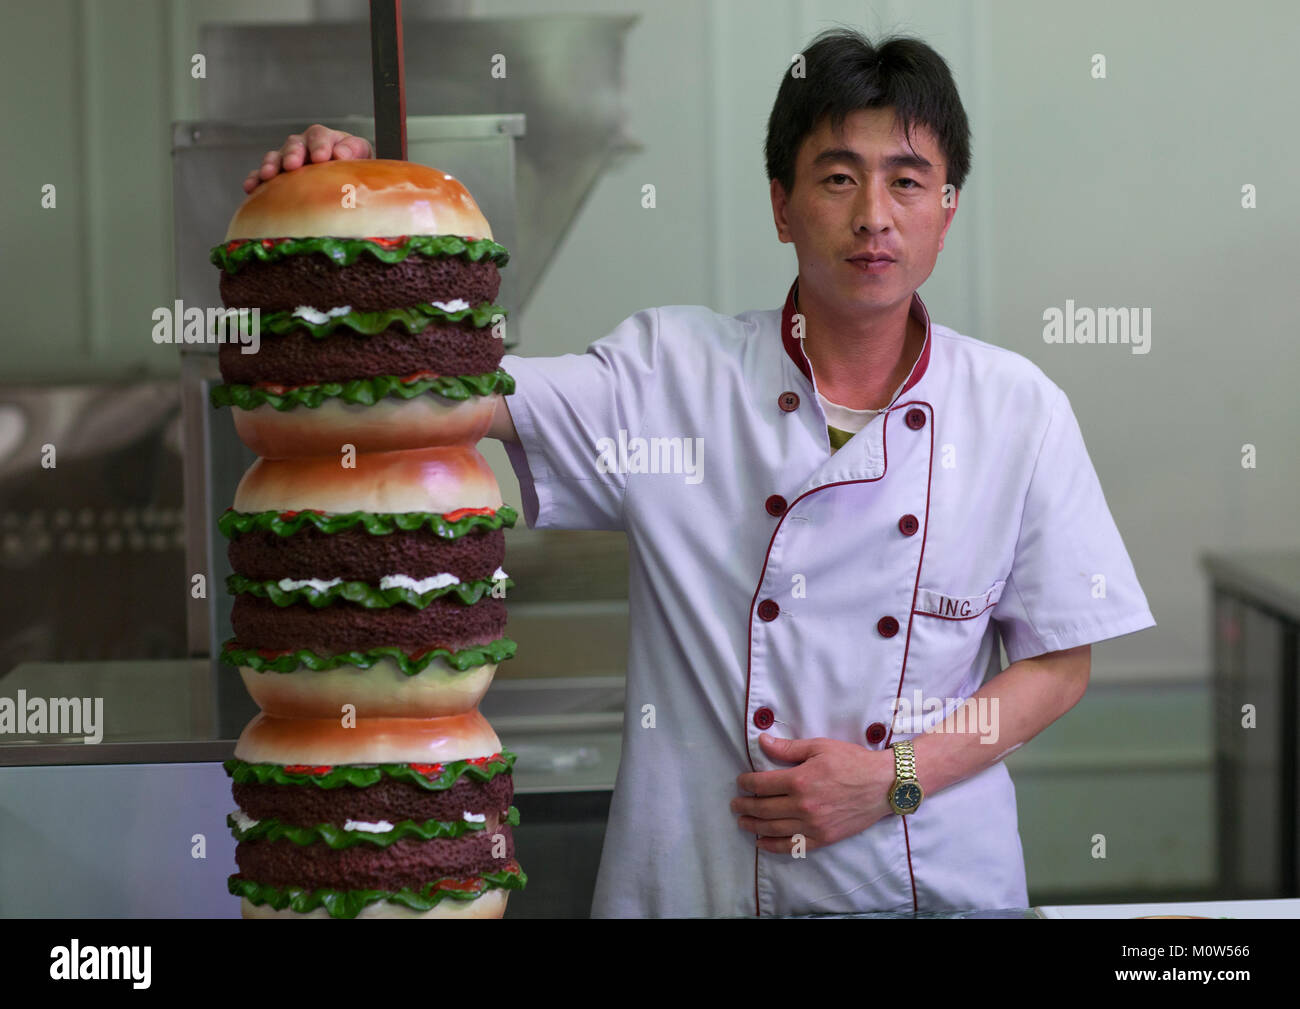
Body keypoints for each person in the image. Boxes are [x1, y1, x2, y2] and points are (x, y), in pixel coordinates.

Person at [243, 29, 1155, 918]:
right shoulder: (669, 376)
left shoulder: (1016, 410)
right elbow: (437, 383)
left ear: (946, 210)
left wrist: (889, 779)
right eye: (838, 177)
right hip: (705, 886)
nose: (873, 214)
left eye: (907, 181)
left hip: (932, 888)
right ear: (781, 203)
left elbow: (1057, 664)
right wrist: (348, 209)